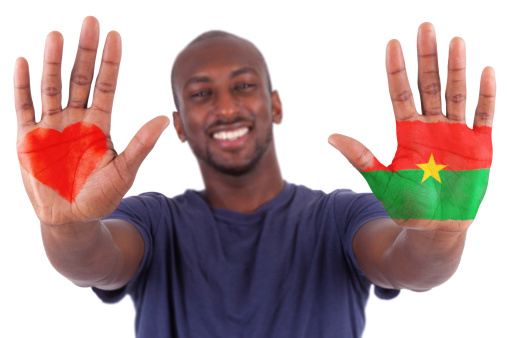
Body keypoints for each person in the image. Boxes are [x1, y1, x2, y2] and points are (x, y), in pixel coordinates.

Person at [14, 16, 495, 337]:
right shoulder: (157, 222)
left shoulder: (337, 216)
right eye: (200, 94)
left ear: (276, 104)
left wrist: (437, 238)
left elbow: (410, 266)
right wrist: (67, 225)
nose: (225, 107)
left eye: (243, 86)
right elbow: (91, 261)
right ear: (179, 125)